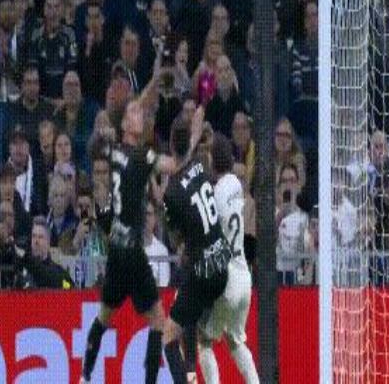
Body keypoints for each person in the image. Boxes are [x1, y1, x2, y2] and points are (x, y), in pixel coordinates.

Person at [79, 78, 204, 384]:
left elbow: (101, 138)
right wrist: (195, 135)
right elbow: (175, 166)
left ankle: (84, 377)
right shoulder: (141, 157)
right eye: (134, 113)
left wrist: (152, 83)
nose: (141, 115)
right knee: (161, 324)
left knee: (103, 318)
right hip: (133, 253)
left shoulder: (115, 151)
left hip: (116, 251)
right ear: (124, 124)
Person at [161, 116, 231, 384]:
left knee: (168, 337)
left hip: (204, 272)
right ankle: (192, 373)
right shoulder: (200, 165)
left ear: (170, 145)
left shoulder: (171, 193)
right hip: (222, 263)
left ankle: (188, 377)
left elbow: (176, 239)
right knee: (187, 307)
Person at [197, 133, 259, 384]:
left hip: (227, 278)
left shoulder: (214, 196)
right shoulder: (235, 184)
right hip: (244, 276)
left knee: (204, 339)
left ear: (212, 160)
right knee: (236, 341)